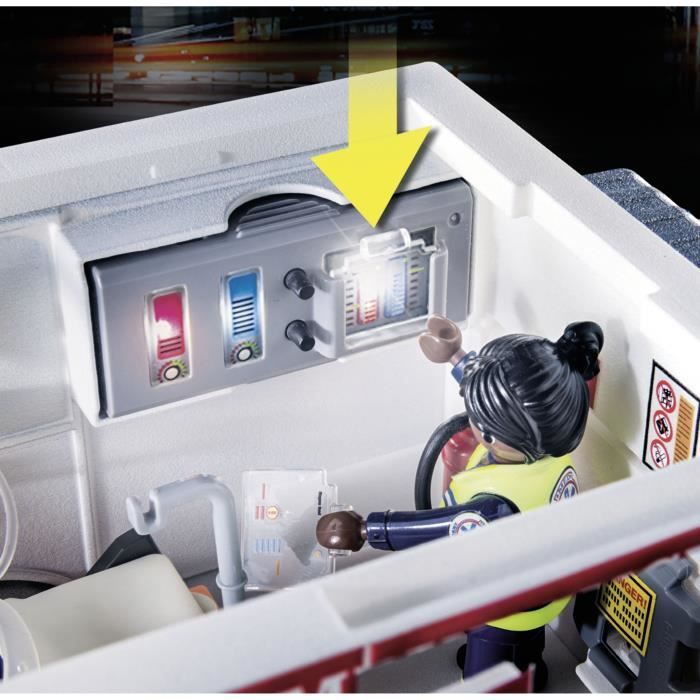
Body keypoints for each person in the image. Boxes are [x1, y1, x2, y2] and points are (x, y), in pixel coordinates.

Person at [316, 315, 604, 690]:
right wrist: (454, 354)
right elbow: (494, 386)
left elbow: (431, 527)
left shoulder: (497, 506)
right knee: (527, 643)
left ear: (500, 433)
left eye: (483, 421)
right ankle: (532, 668)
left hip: (503, 608)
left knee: (491, 664)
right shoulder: (548, 450)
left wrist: (365, 529)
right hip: (541, 589)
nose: (474, 420)